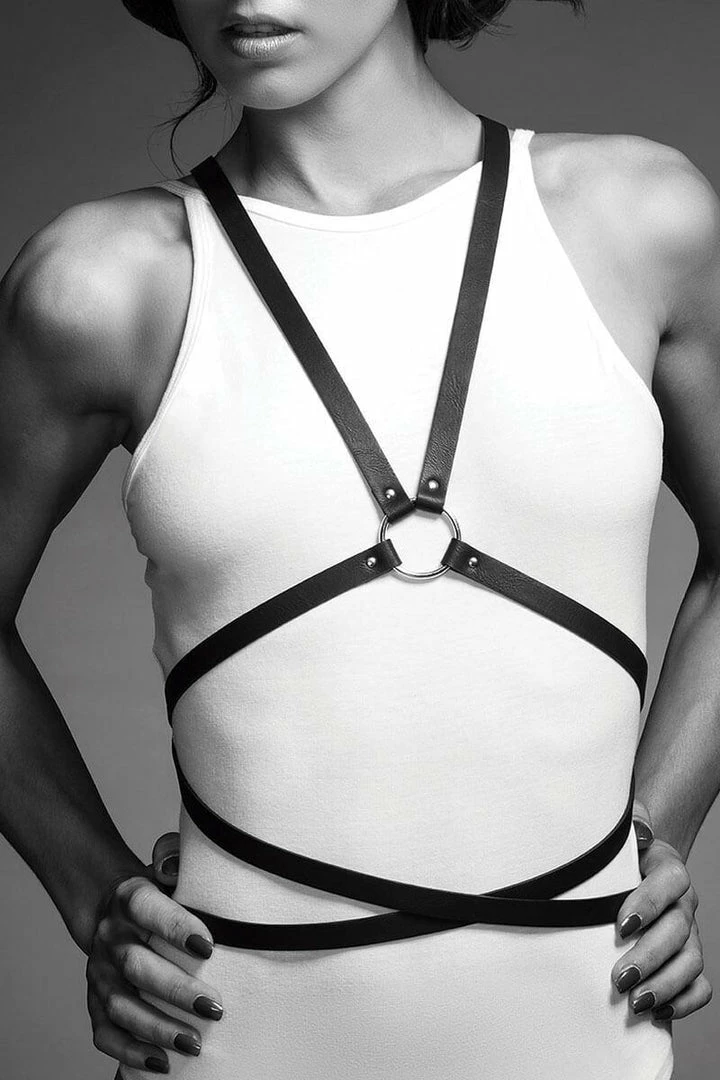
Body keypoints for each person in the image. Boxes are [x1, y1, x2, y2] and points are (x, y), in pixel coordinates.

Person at [0, 0, 718, 1076]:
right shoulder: (106, 282)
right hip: (227, 1042)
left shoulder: (638, 223)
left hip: (587, 1039)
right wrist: (89, 889)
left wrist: (657, 831)